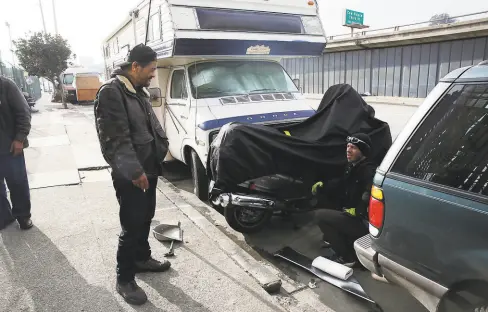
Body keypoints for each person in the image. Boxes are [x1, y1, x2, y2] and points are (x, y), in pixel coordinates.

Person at [94, 44, 171, 305]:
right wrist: (135, 171)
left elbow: (149, 125)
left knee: (146, 217)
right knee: (132, 223)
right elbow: (116, 139)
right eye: (150, 70)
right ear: (135, 66)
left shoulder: (137, 90)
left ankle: (141, 257)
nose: (153, 75)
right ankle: (124, 277)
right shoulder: (111, 92)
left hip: (148, 169)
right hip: (132, 173)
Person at [311, 133, 377, 266]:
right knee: (323, 196)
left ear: (362, 151)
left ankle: (347, 257)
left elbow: (369, 193)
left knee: (319, 216)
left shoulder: (368, 170)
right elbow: (341, 183)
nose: (348, 150)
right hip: (350, 211)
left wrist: (358, 210)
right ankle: (337, 239)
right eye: (348, 146)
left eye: (353, 147)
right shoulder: (352, 166)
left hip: (362, 222)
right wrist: (323, 185)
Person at [0, 76, 33, 231]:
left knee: (17, 183)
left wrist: (20, 138)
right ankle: (4, 217)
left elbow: (23, 112)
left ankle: (23, 216)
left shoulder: (6, 85)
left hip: (10, 147)